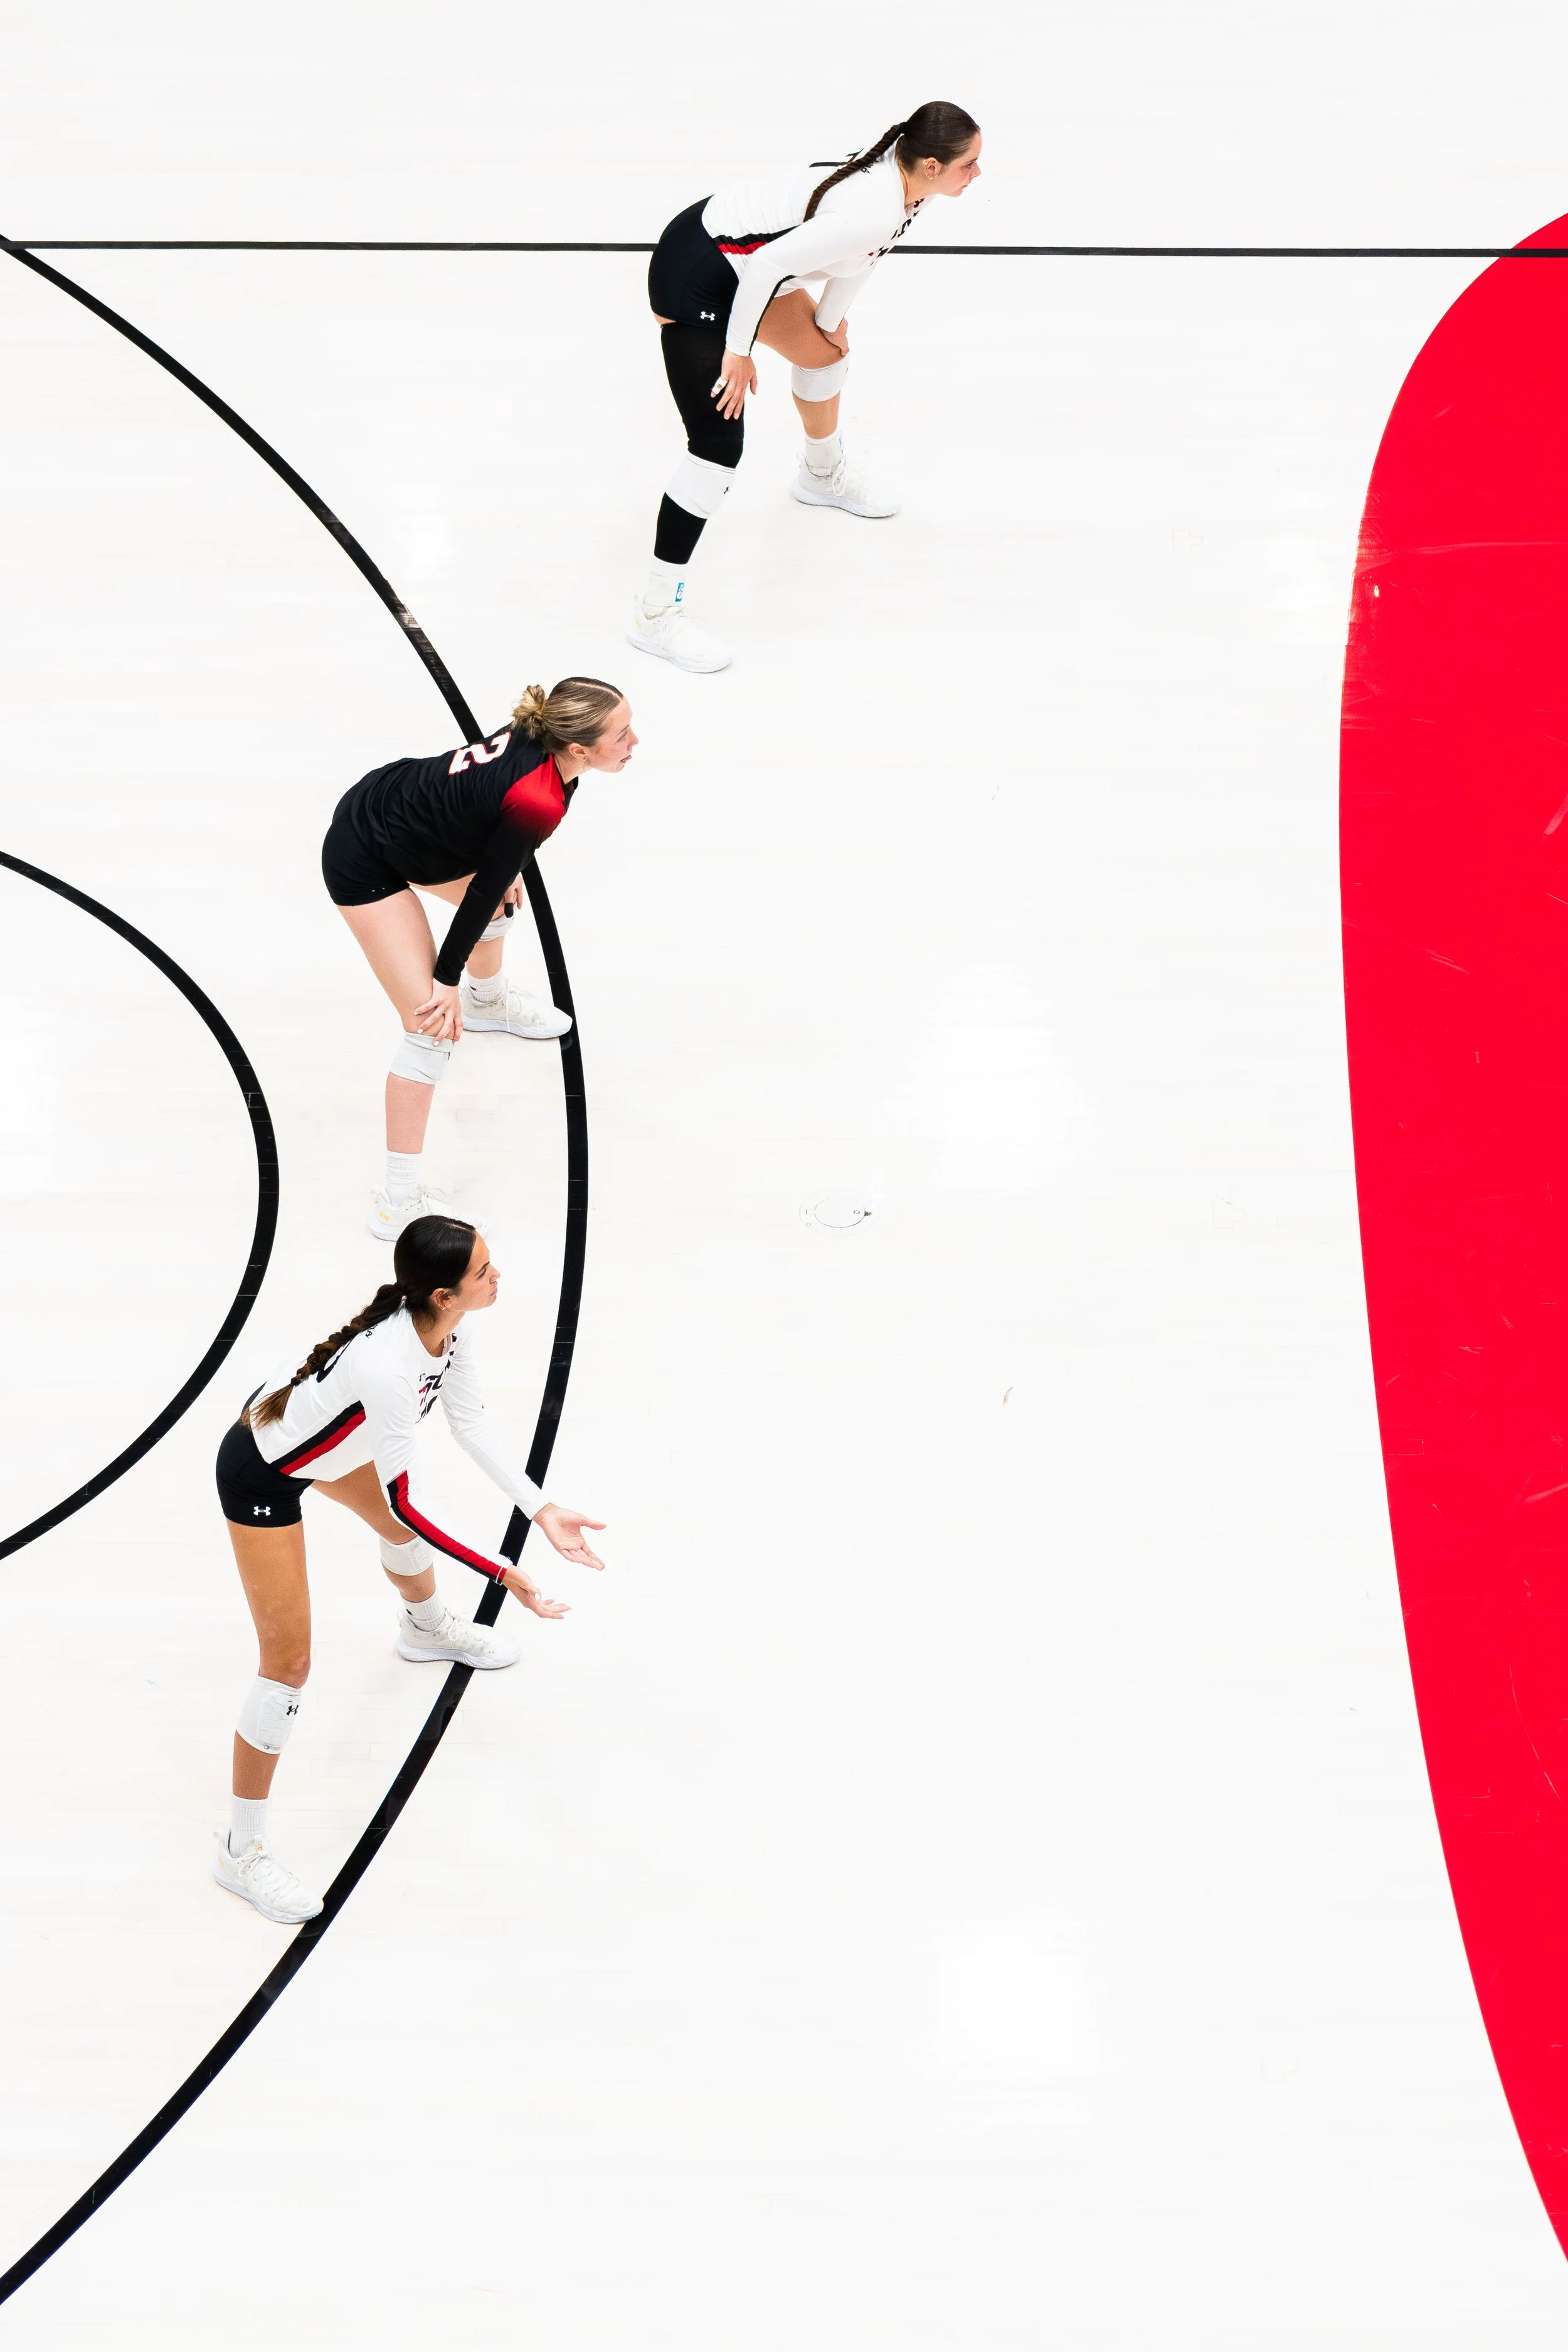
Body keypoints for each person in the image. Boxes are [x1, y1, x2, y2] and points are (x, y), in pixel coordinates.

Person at [211, 1214, 607, 1924]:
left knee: (398, 1530)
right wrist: (503, 1574)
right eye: (484, 1271)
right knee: (288, 1664)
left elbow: (471, 1425)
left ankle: (425, 1630)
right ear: (443, 1294)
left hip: (320, 1442)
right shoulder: (389, 1368)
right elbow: (408, 1498)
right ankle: (241, 1853)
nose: (497, 1277)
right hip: (264, 1472)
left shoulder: (447, 1329)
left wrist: (543, 1511)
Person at [627, 101, 982, 674]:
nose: (977, 174)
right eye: (970, 164)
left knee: (827, 357)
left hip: (742, 265)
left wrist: (829, 321)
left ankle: (821, 473)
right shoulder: (870, 206)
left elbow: (865, 259)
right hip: (697, 274)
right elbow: (767, 264)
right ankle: (655, 616)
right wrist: (736, 354)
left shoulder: (907, 185)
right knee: (717, 453)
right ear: (933, 165)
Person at [322, 677, 638, 1238]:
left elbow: (492, 871)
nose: (635, 741)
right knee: (429, 1027)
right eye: (622, 734)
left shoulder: (549, 741)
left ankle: (488, 1003)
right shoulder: (540, 796)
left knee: (502, 904)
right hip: (367, 852)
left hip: (407, 817)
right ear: (578, 748)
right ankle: (397, 1201)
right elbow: (479, 887)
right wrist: (443, 980)